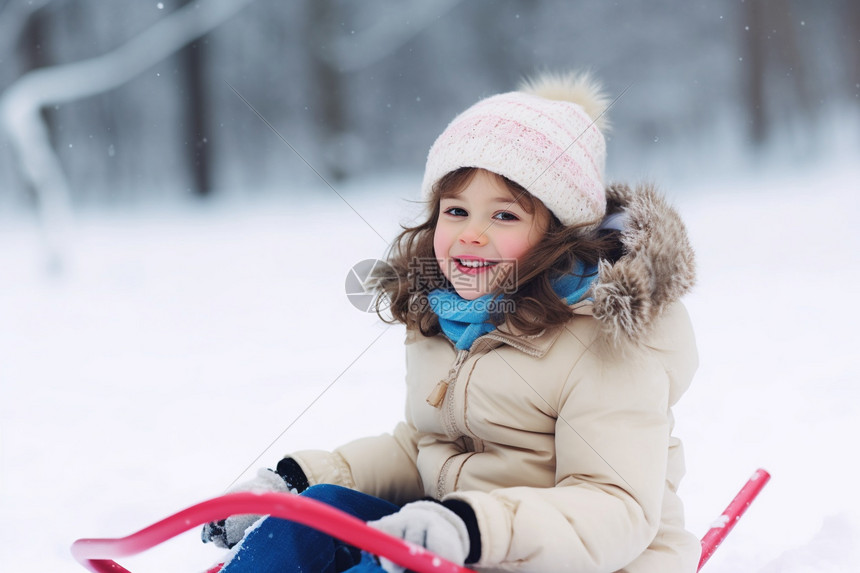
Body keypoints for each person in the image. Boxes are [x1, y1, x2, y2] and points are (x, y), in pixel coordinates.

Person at [202, 71, 701, 573]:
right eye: (456, 210)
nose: (471, 235)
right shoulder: (447, 320)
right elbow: (424, 448)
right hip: (456, 538)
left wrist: (472, 527)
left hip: (575, 557)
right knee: (315, 515)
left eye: (504, 216)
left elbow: (614, 507)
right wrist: (295, 483)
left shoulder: (605, 341)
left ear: (558, 236)